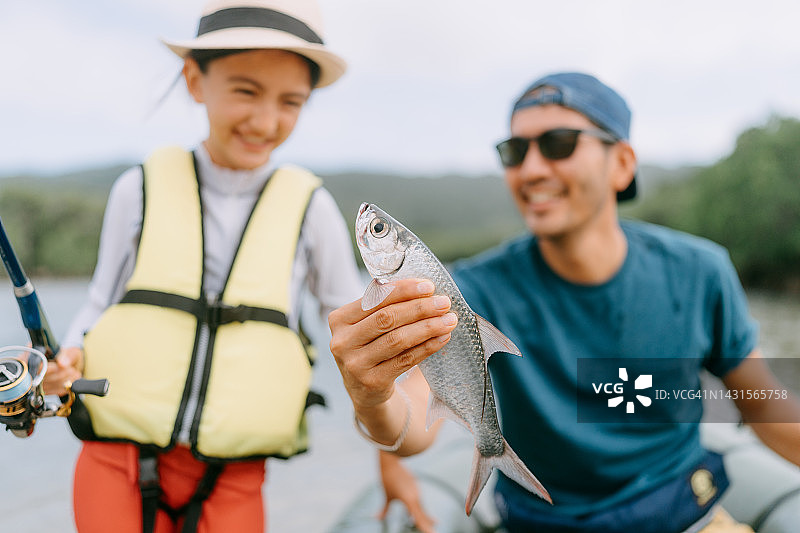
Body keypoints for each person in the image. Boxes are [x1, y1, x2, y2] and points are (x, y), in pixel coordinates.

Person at [328, 72, 800, 532]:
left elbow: (762, 403)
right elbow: (410, 426)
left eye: (559, 144)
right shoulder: (467, 289)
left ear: (622, 163)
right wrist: (371, 394)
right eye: (513, 151)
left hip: (686, 517)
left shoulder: (700, 271)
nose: (531, 169)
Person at [42, 1, 363, 531]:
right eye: (245, 91)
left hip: (234, 479)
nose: (266, 121)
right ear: (195, 80)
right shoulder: (138, 188)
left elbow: (361, 344)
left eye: (291, 102)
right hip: (114, 463)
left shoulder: (313, 208)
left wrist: (390, 456)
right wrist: (66, 356)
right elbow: (100, 301)